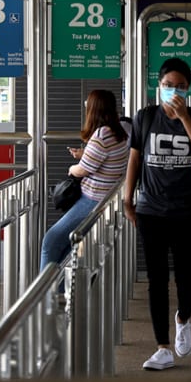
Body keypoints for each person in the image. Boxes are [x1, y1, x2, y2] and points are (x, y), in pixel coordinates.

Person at [123, 57, 191, 371]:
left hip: (184, 207)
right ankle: (162, 346)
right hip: (150, 209)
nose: (172, 91)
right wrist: (127, 197)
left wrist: (185, 117)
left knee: (187, 277)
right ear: (157, 86)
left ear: (188, 89)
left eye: (179, 87)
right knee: (157, 279)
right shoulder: (145, 117)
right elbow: (135, 158)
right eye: (167, 85)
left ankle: (184, 318)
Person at [40, 89, 130, 271]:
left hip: (92, 200)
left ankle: (46, 295)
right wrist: (84, 154)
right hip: (104, 198)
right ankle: (59, 291)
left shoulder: (102, 135)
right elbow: (104, 159)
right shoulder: (119, 132)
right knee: (67, 247)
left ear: (94, 109)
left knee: (51, 241)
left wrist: (72, 168)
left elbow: (83, 170)